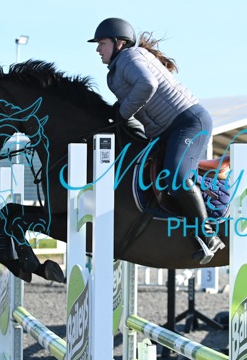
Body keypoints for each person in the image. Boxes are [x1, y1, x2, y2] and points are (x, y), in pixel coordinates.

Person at [88, 17, 223, 264]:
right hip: (166, 130)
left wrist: (122, 113)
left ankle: (208, 235)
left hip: (189, 123)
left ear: (119, 43)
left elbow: (147, 84)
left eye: (102, 43)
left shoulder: (129, 58)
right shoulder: (118, 69)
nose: (98, 49)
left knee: (176, 179)